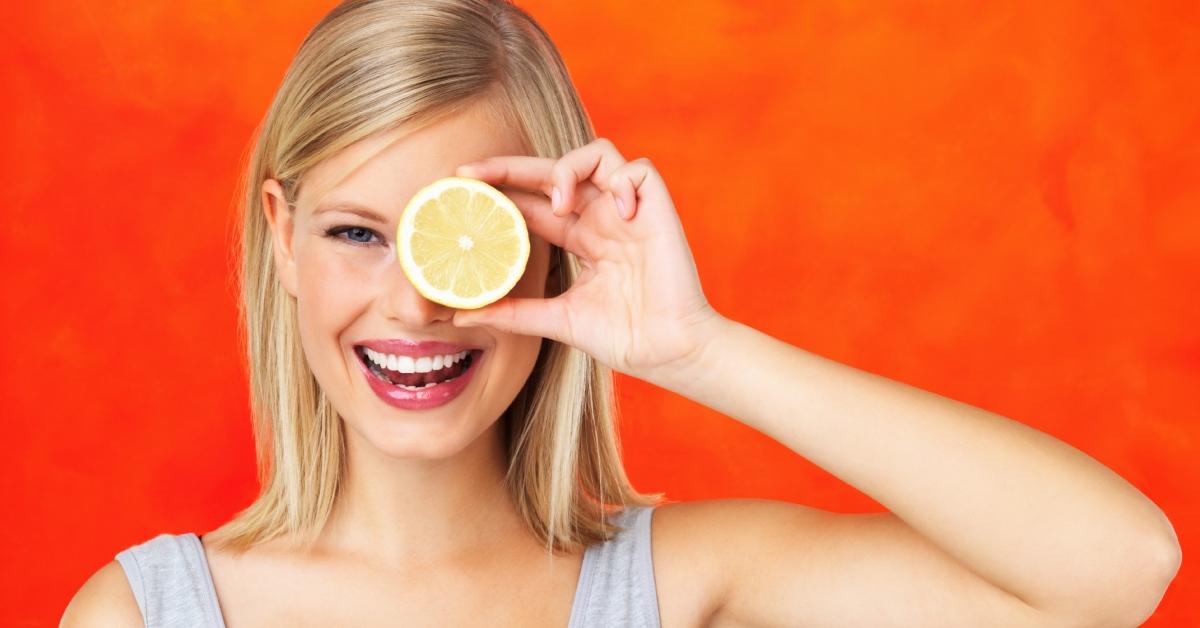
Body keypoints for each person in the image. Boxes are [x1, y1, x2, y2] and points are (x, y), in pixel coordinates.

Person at [61, 1, 1181, 626]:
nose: (415, 300)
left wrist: (701, 349)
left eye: (465, 235)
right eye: (358, 233)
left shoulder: (681, 584)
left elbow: (1117, 568)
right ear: (282, 240)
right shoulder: (147, 613)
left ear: (549, 242)